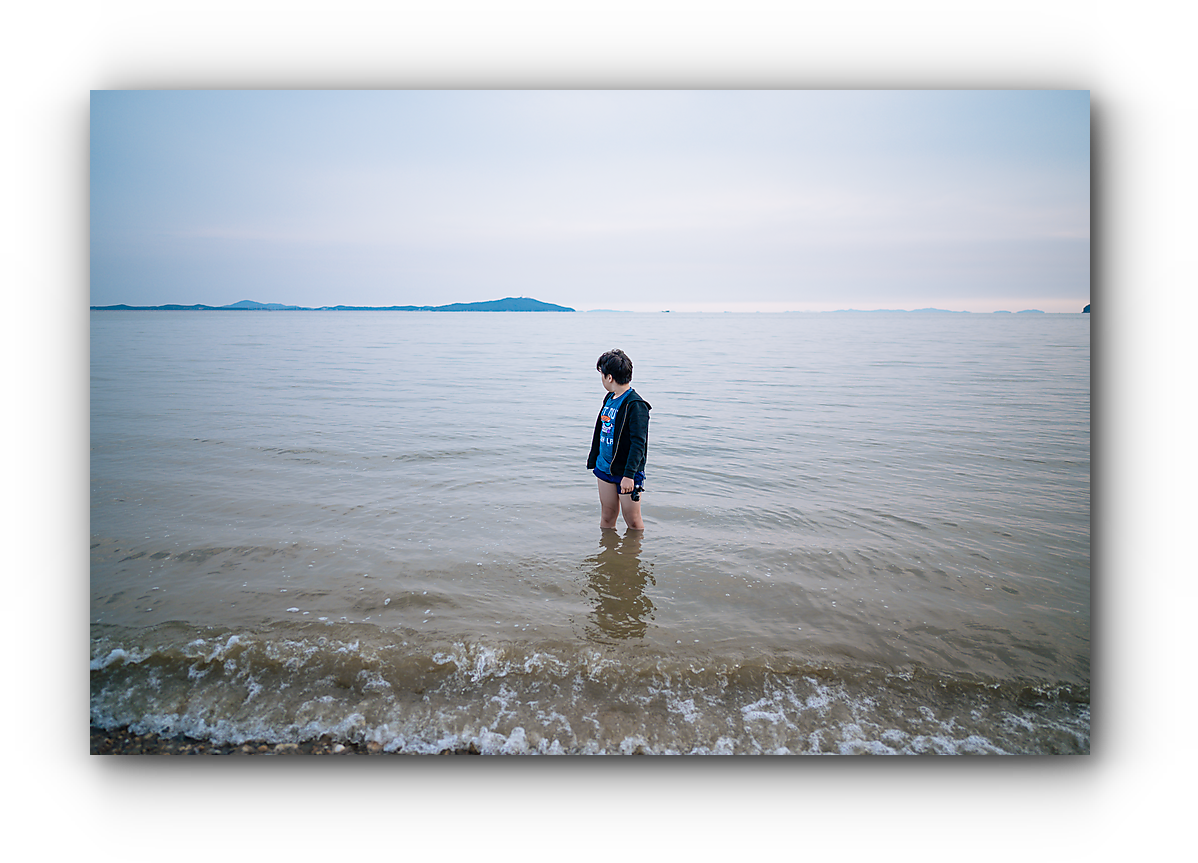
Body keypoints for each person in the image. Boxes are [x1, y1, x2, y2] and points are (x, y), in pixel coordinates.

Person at [587, 349, 652, 530]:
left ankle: (634, 549)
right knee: (607, 515)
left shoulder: (636, 405)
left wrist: (629, 476)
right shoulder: (609, 398)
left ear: (609, 377)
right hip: (604, 467)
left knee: (633, 520)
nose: (601, 379)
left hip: (626, 472)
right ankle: (607, 548)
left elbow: (638, 444)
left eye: (601, 374)